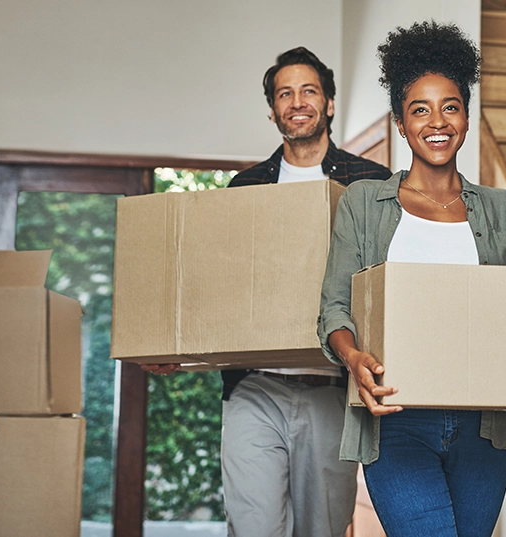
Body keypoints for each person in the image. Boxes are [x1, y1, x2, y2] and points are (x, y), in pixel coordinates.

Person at [317, 21, 506, 537]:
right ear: (401, 123)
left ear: (468, 117)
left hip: (488, 425)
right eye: (420, 109)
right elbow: (334, 309)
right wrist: (353, 356)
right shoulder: (364, 204)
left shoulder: (504, 210)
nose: (437, 121)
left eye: (450, 106)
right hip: (396, 418)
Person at [143, 46, 391, 537]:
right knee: (253, 527)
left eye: (308, 91)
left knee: (322, 529)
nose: (297, 102)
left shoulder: (371, 183)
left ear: (330, 103)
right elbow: (219, 287)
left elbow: (386, 284)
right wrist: (176, 348)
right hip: (254, 389)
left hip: (331, 389)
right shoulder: (245, 186)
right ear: (273, 109)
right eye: (285, 93)